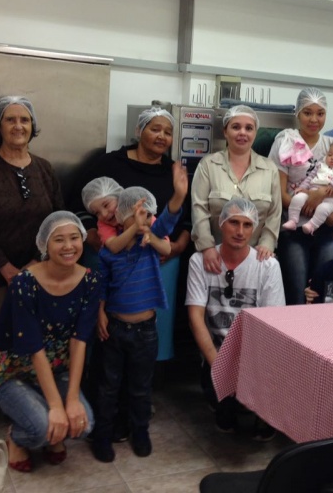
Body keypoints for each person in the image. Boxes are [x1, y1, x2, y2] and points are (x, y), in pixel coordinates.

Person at [0, 96, 63, 439]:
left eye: (24, 119)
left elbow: (57, 221)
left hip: (38, 277)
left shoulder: (45, 169)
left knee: (33, 349)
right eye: (10, 120)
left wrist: (38, 263)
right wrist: (5, 268)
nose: (18, 126)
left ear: (33, 126)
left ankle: (23, 408)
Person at [72, 106, 190, 361]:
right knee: (107, 331)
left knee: (151, 333)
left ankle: (148, 381)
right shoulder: (110, 163)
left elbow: (184, 216)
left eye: (168, 132)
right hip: (111, 257)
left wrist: (179, 245)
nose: (162, 136)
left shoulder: (172, 172)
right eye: (155, 129)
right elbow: (75, 200)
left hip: (159, 260)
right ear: (139, 131)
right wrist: (90, 233)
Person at [0, 212, 101, 472]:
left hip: (58, 370)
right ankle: (17, 437)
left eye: (74, 238)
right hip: (15, 373)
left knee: (84, 424)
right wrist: (56, 407)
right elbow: (34, 347)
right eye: (59, 240)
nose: (68, 246)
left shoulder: (91, 280)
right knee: (39, 429)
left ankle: (53, 429)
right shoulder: (25, 283)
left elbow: (80, 341)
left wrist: (71, 401)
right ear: (45, 246)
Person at [91, 181, 186, 463]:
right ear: (121, 218)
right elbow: (102, 288)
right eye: (136, 214)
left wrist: (178, 195)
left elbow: (167, 223)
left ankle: (140, 431)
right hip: (116, 329)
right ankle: (103, 435)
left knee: (141, 386)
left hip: (146, 331)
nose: (144, 218)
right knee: (109, 387)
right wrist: (100, 314)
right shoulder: (111, 252)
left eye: (147, 213)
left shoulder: (151, 245)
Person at [186, 199, 285, 438]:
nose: (240, 232)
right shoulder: (199, 262)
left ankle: (260, 411)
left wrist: (248, 370)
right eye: (234, 223)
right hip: (216, 354)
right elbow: (195, 317)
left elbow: (272, 324)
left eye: (247, 225)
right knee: (226, 421)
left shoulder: (268, 265)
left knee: (256, 425)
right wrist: (219, 365)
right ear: (221, 224)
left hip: (255, 356)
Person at [270, 88, 333, 305]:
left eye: (320, 113)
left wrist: (321, 194)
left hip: (326, 228)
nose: (314, 119)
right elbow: (279, 192)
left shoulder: (332, 145)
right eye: (307, 113)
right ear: (298, 114)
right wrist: (307, 205)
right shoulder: (285, 141)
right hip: (292, 226)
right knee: (297, 289)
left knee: (323, 290)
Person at [192, 104, 281, 273]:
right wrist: (207, 247)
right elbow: (199, 209)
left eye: (249, 128)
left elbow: (274, 213)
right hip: (215, 256)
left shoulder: (270, 169)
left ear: (255, 133)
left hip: (257, 256)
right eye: (235, 127)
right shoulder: (208, 165)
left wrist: (267, 243)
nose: (242, 133)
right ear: (225, 132)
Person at [282, 140, 333, 235]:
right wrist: (302, 188)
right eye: (330, 155)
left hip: (330, 199)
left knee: (323, 209)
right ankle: (292, 220)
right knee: (297, 198)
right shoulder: (320, 165)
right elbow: (310, 177)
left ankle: (312, 225)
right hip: (311, 193)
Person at [81, 176, 125, 251]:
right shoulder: (103, 225)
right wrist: (136, 227)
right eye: (97, 213)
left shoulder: (138, 211)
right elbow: (114, 247)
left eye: (106, 205)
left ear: (120, 197)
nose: (104, 214)